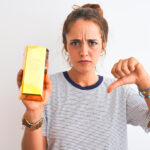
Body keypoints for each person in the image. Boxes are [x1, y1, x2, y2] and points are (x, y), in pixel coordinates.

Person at [17, 3, 150, 150]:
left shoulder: (120, 92)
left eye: (92, 42)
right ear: (65, 44)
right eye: (75, 43)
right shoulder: (47, 88)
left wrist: (145, 84)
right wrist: (34, 111)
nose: (84, 52)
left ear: (103, 45)